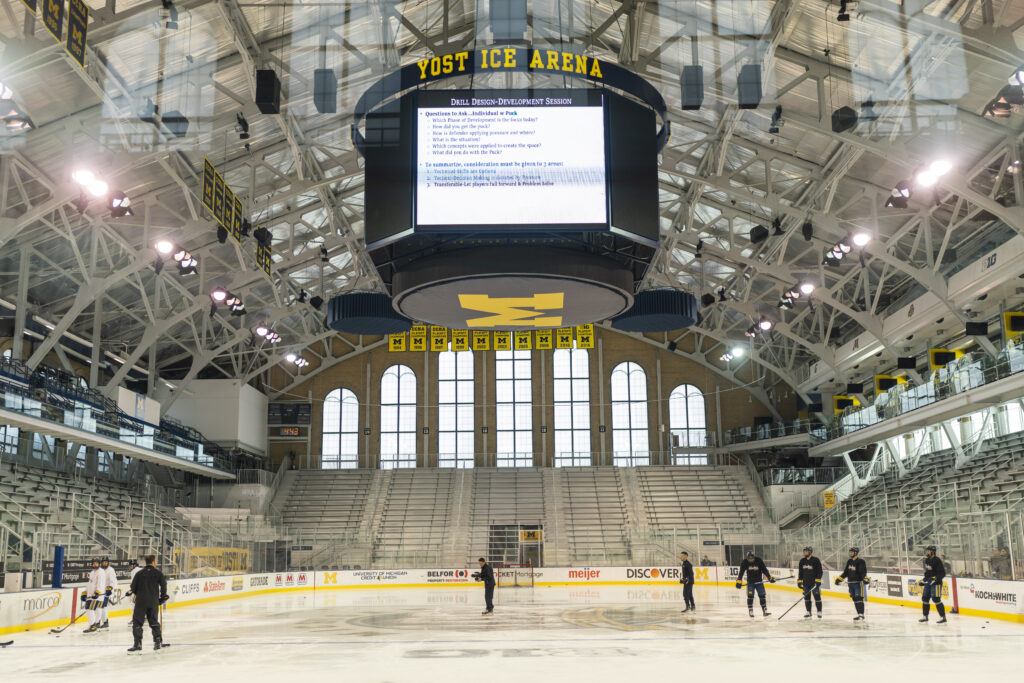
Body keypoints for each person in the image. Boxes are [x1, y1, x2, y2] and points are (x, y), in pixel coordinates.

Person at [127, 555, 168, 652]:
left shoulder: (139, 573)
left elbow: (133, 587)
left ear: (146, 562)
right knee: (153, 621)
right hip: (153, 601)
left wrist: (139, 594)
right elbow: (164, 585)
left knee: (137, 622)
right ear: (154, 561)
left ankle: (137, 644)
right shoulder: (158, 573)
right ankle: (157, 641)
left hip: (141, 602)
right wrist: (162, 597)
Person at [736, 551, 775, 617]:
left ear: (754, 557)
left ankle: (765, 611)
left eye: (752, 558)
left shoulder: (759, 561)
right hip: (750, 582)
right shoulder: (744, 562)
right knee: (750, 597)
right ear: (747, 558)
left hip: (759, 582)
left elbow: (764, 570)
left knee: (762, 596)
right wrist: (739, 580)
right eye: (749, 559)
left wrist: (769, 577)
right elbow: (741, 572)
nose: (751, 560)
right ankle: (751, 611)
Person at [835, 546, 868, 620]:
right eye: (850, 552)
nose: (850, 553)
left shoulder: (861, 561)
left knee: (859, 598)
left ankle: (861, 615)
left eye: (852, 552)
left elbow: (862, 571)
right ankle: (859, 614)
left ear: (856, 553)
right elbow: (846, 572)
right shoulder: (849, 561)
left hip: (858, 583)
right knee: (854, 599)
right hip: (850, 583)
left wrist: (865, 578)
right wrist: (839, 579)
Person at [919, 545, 947, 624]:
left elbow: (942, 573)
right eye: (926, 551)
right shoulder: (927, 560)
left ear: (932, 551)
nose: (926, 552)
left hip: (936, 583)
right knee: (925, 598)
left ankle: (943, 617)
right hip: (928, 581)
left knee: (936, 599)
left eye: (928, 551)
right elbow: (928, 572)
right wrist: (923, 580)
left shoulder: (937, 560)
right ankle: (925, 616)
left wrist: (936, 579)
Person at [797, 546, 823, 619]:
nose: (805, 552)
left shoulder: (816, 560)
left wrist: (818, 580)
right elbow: (800, 572)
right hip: (806, 583)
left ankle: (819, 611)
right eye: (804, 551)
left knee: (817, 597)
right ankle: (808, 612)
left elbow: (820, 571)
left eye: (806, 551)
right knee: (807, 598)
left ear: (810, 552)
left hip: (814, 584)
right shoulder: (802, 561)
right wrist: (799, 581)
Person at [81, 558, 105, 633]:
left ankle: (92, 626)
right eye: (94, 563)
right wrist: (85, 592)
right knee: (91, 609)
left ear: (99, 564)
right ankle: (94, 625)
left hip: (97, 595)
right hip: (91, 595)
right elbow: (89, 584)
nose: (95, 564)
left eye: (96, 563)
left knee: (89, 608)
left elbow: (101, 584)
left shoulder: (101, 572)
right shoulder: (92, 572)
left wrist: (97, 592)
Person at [98, 557, 117, 629]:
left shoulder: (111, 570)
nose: (104, 563)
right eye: (103, 562)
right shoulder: (100, 570)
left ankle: (105, 622)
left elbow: (113, 581)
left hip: (106, 592)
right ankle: (101, 621)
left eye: (106, 562)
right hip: (100, 592)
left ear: (108, 563)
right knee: (99, 607)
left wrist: (110, 589)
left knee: (102, 606)